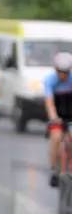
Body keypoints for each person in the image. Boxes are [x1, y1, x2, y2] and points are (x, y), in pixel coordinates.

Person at [44, 52, 72, 187]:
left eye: (66, 72)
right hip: (57, 114)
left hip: (70, 112)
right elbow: (49, 102)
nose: (63, 75)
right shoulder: (50, 80)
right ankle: (54, 169)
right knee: (56, 137)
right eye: (60, 72)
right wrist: (53, 117)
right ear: (55, 69)